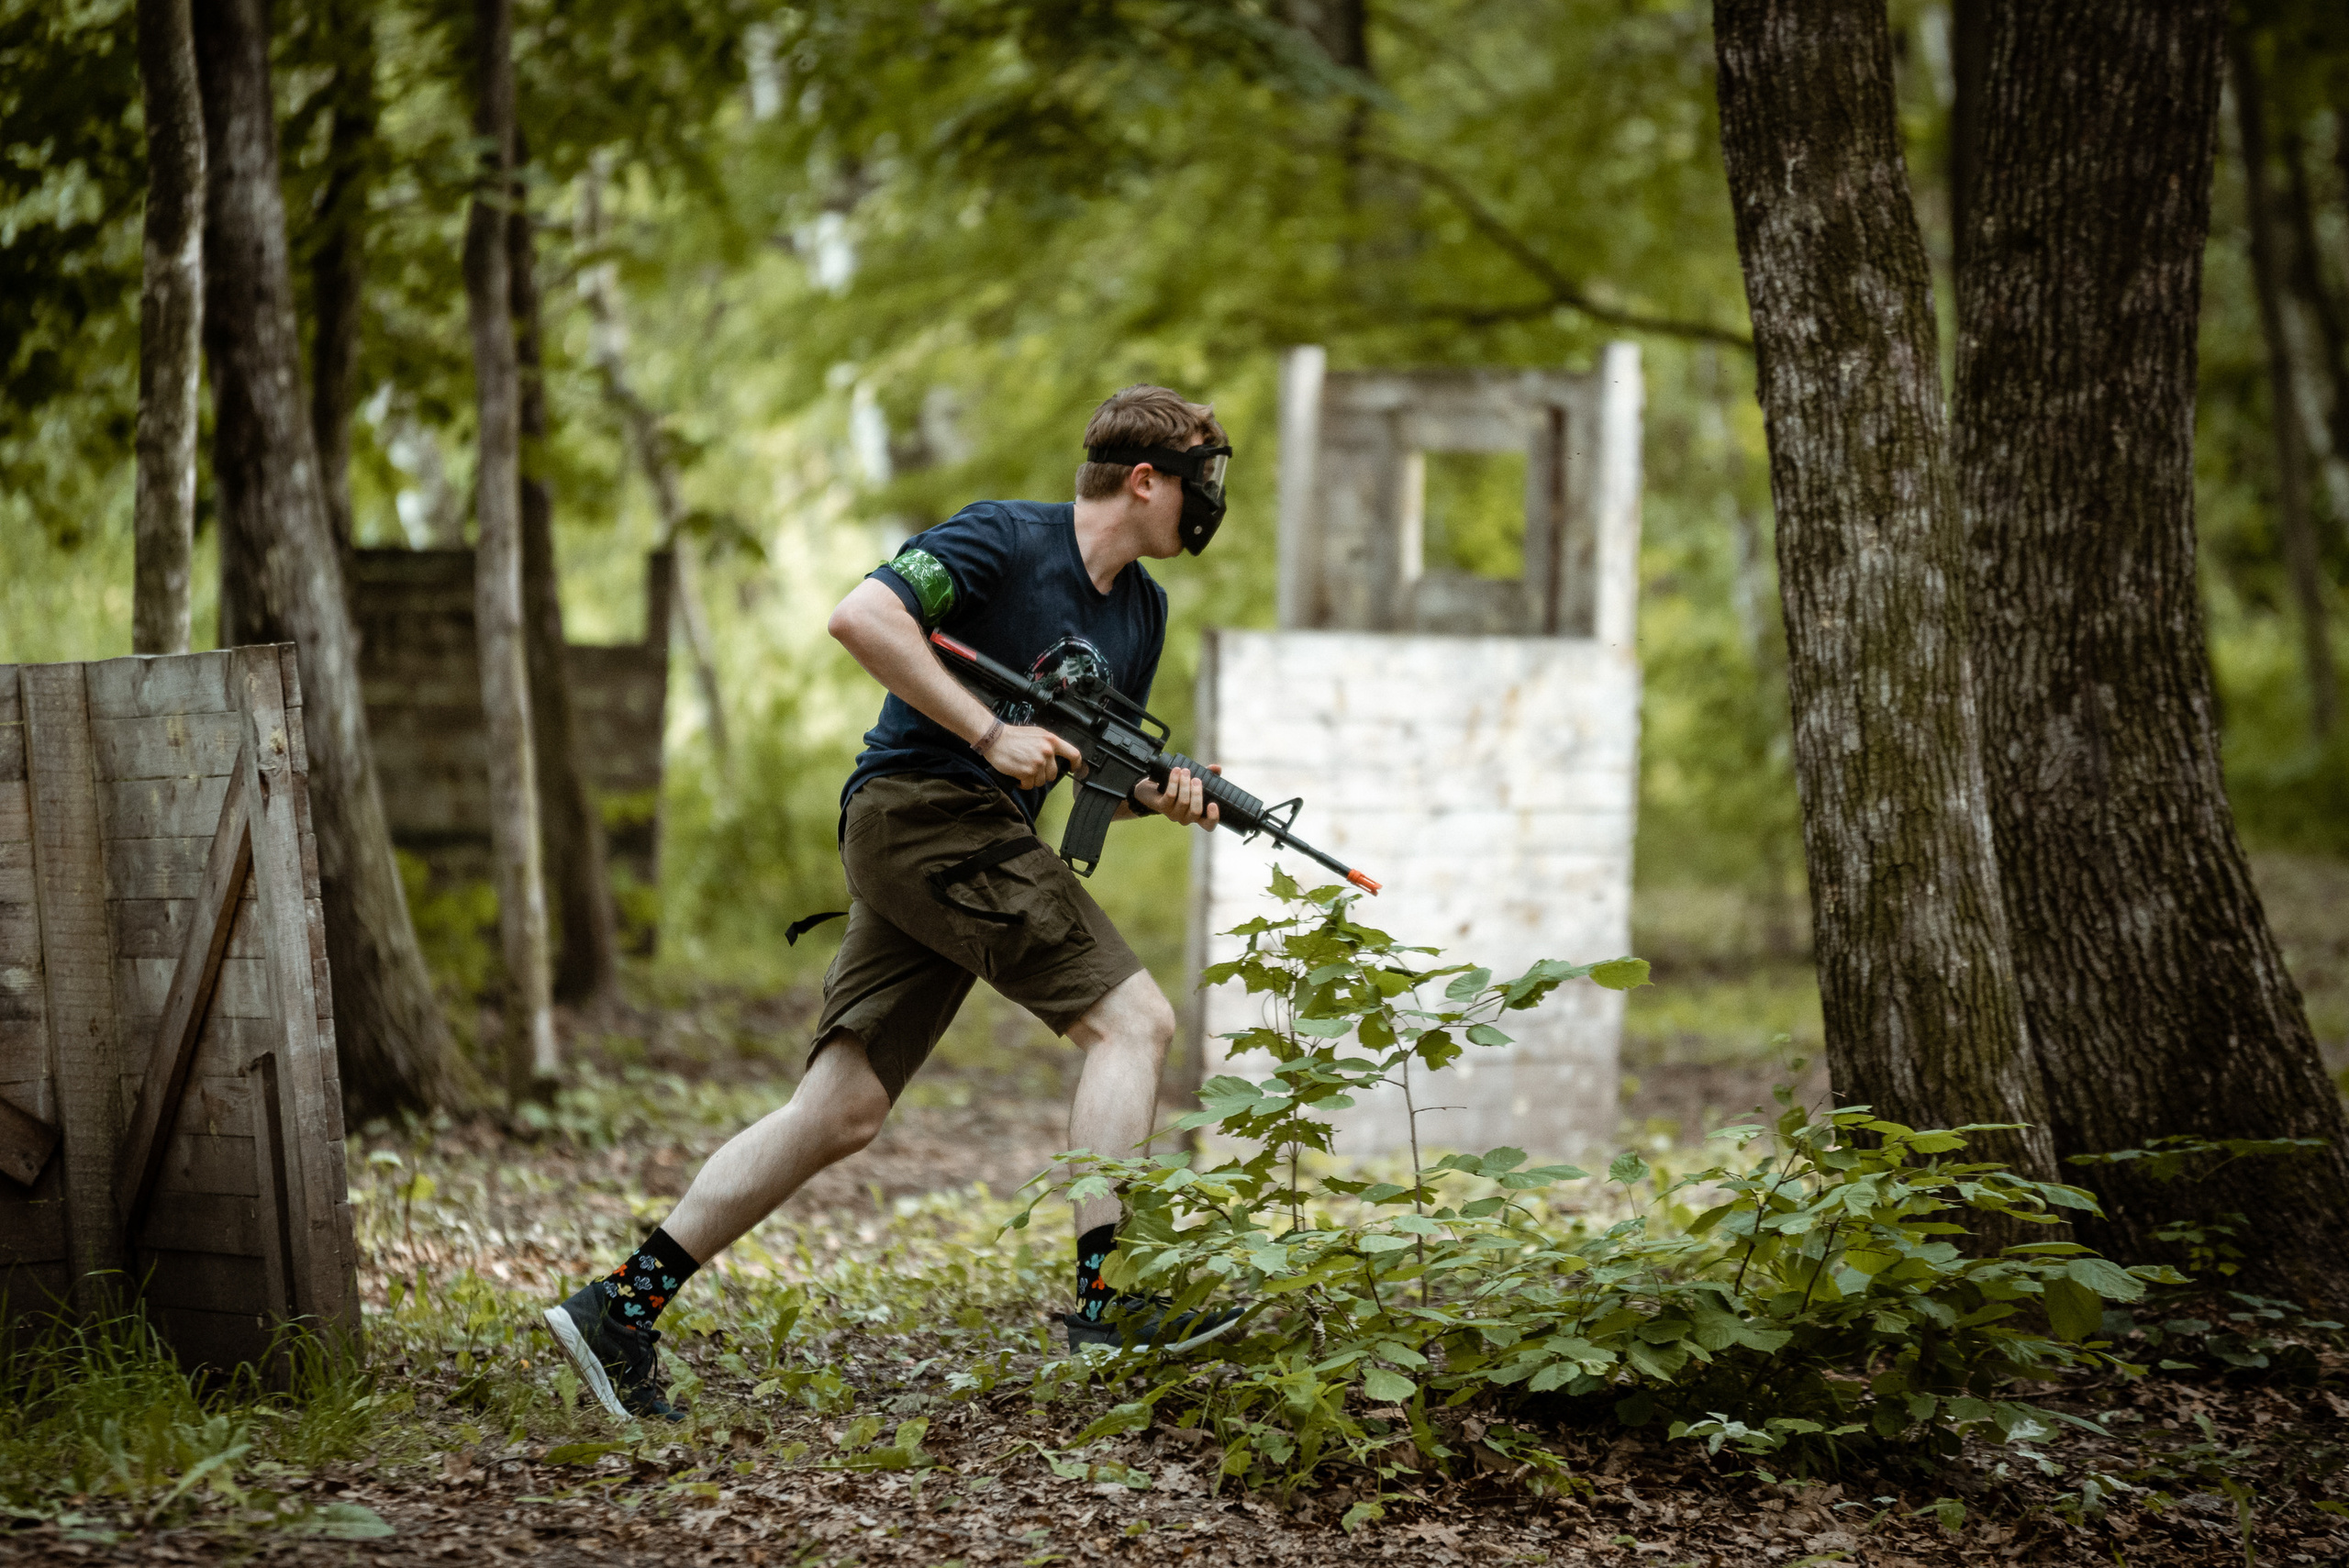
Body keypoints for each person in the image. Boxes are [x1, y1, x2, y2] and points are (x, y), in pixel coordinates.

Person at [543, 384, 1242, 1420]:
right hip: (920, 810)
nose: (1211, 497)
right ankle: (1107, 1303)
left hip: (973, 840)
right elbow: (861, 615)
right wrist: (986, 733)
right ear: (1145, 480)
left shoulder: (1141, 610)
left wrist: (1163, 794)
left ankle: (619, 1306)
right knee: (1133, 1021)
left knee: (841, 1109)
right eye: (1199, 476)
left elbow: (1087, 760)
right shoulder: (1002, 538)